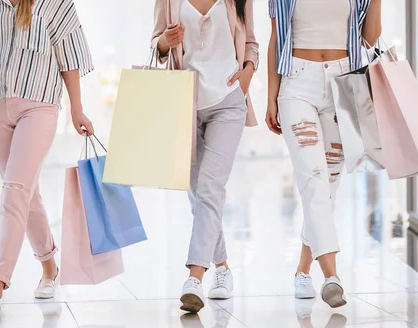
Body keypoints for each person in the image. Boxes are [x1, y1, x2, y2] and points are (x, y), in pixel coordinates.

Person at [0, 0, 94, 316]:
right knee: (25, 193)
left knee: (14, 191)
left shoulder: (56, 3)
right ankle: (49, 267)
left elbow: (68, 55)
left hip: (40, 106)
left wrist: (76, 108)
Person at [265, 0, 382, 308]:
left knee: (328, 185)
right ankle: (332, 277)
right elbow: (276, 40)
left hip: (343, 86)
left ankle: (303, 270)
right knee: (312, 178)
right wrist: (271, 97)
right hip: (296, 84)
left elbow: (369, 38)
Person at [152, 0, 259, 313]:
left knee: (210, 188)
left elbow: (251, 40)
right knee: (199, 194)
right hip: (183, 100)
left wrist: (248, 72)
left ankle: (194, 277)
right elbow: (156, 43)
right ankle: (223, 267)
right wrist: (163, 43)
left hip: (228, 101)